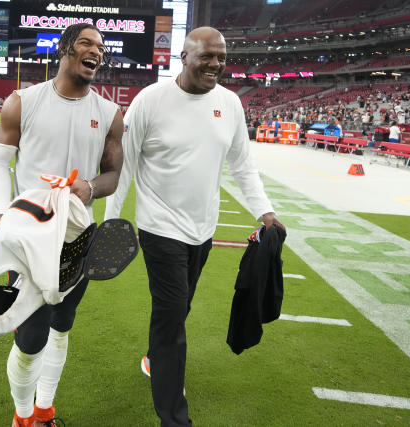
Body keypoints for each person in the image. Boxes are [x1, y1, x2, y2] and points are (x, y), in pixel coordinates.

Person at [104, 27, 284, 427]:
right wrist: (112, 223)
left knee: (180, 307)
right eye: (206, 56)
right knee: (170, 317)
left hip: (203, 230)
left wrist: (265, 211)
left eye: (221, 57)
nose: (216, 64)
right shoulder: (150, 100)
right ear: (183, 57)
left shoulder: (230, 103)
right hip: (159, 227)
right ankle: (173, 414)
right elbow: (124, 164)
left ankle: (154, 360)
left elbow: (242, 164)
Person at [0, 23, 123, 427]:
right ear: (65, 48)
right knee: (30, 338)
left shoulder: (110, 113)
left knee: (62, 326)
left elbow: (113, 174)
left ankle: (44, 410)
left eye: (100, 46)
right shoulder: (22, 101)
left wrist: (90, 187)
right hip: (29, 238)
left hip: (79, 239)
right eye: (86, 42)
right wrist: (0, 211)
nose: (95, 50)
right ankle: (23, 416)